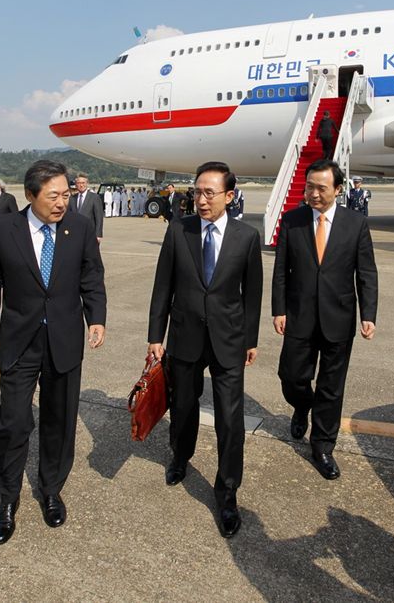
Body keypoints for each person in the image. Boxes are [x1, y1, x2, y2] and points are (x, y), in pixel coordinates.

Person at [0, 160, 106, 545]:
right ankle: (8, 499)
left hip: (64, 338)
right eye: (54, 196)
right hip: (19, 339)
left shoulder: (79, 226)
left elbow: (91, 275)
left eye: (66, 194)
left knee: (59, 420)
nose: (62, 202)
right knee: (13, 422)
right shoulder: (3, 229)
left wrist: (95, 316)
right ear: (31, 195)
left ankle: (51, 490)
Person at [148, 161, 263, 538]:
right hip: (185, 336)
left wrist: (250, 339)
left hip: (229, 340)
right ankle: (181, 457)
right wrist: (155, 336)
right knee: (183, 407)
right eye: (197, 191)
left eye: (209, 193)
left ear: (229, 196)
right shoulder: (178, 231)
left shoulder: (247, 237)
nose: (201, 199)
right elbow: (163, 285)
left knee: (231, 420)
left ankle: (227, 492)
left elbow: (253, 294)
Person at [272, 159, 378, 481]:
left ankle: (322, 447)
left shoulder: (355, 224)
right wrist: (279, 309)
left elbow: (367, 272)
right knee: (290, 376)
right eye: (309, 187)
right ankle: (303, 405)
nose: (313, 194)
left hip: (339, 317)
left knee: (332, 387)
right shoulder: (292, 221)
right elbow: (280, 271)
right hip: (299, 316)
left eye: (321, 188)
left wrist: (368, 314)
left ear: (337, 189)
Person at [68, 173, 104, 242]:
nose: (81, 185)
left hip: (90, 233)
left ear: (87, 183)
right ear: (76, 184)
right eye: (78, 183)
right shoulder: (72, 198)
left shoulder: (94, 197)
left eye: (83, 183)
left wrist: (98, 234)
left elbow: (99, 217)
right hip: (75, 233)